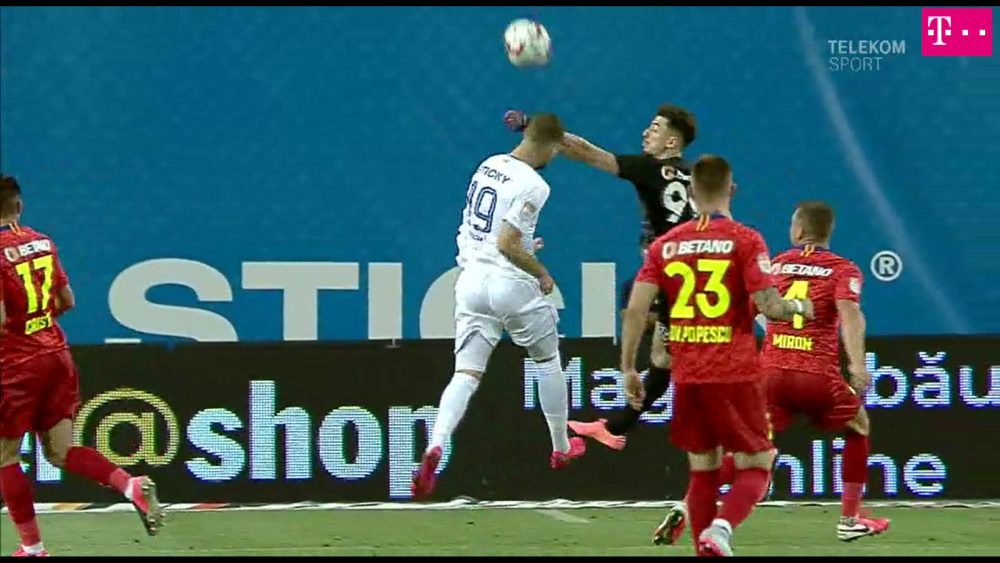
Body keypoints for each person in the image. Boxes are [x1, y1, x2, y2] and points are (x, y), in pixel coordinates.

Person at [620, 156, 814, 556]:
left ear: (691, 192)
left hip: (688, 373)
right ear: (732, 189)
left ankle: (704, 546)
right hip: (734, 370)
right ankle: (722, 529)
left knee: (703, 470)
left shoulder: (664, 245)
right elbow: (772, 306)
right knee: (759, 461)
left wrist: (627, 368)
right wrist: (801, 307)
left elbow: (637, 309)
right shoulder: (746, 240)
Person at [411, 114, 585, 500]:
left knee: (466, 373)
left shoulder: (488, 164)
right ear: (550, 146)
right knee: (547, 360)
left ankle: (435, 443)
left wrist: (525, 246)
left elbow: (488, 232)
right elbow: (506, 243)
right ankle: (560, 446)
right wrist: (541, 272)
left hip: (471, 281)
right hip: (510, 282)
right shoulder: (535, 184)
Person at [505, 104, 699, 449]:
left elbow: (587, 152)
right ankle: (614, 426)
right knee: (666, 357)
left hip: (677, 279)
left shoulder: (650, 168)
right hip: (701, 275)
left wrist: (536, 129)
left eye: (655, 128)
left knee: (678, 359)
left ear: (672, 142)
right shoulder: (699, 173)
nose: (646, 132)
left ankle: (740, 445)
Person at [0, 175, 165, 557]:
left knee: (5, 457)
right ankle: (130, 485)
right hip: (56, 356)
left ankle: (33, 549)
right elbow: (66, 300)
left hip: (14, 365)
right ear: (19, 206)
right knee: (61, 450)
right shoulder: (43, 242)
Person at [761, 200, 889, 540]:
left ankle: (690, 502)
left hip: (771, 373)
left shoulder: (776, 264)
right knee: (859, 426)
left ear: (799, 229)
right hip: (815, 374)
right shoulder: (842, 269)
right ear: (828, 231)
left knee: (754, 449)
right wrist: (857, 365)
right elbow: (850, 314)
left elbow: (751, 308)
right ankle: (849, 519)